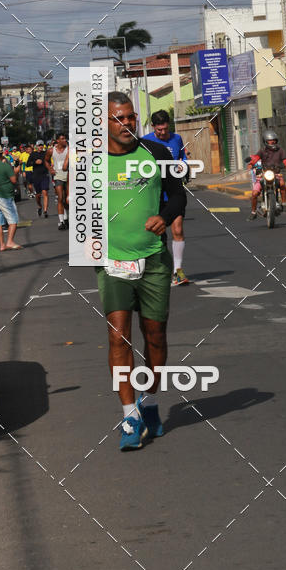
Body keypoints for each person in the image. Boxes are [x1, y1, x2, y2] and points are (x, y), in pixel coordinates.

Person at [97, 92, 186, 451]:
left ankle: (149, 403)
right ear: (103, 123)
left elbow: (178, 196)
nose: (126, 124)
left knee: (156, 336)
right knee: (118, 337)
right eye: (118, 118)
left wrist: (164, 218)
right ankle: (129, 414)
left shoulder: (156, 154)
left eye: (131, 117)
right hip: (113, 262)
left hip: (153, 260)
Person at [141, 109, 190, 286]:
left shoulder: (177, 139)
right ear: (153, 127)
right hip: (153, 194)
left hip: (173, 192)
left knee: (178, 230)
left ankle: (178, 272)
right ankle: (155, 270)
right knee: (157, 234)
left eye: (165, 129)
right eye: (159, 130)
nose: (163, 133)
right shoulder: (145, 142)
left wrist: (182, 166)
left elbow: (183, 157)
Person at [247, 129, 286, 220]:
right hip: (263, 174)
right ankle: (253, 212)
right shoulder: (262, 151)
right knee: (254, 193)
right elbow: (256, 158)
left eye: (274, 140)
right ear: (266, 141)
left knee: (282, 184)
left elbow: (285, 159)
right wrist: (251, 163)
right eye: (270, 140)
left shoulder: (280, 150)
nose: (273, 142)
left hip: (276, 174)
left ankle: (283, 203)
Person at [50, 132, 69, 230]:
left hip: (69, 175)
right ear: (57, 140)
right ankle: (61, 221)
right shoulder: (51, 150)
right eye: (62, 139)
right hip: (58, 176)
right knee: (60, 198)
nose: (64, 140)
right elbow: (46, 160)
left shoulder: (69, 149)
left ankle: (67, 218)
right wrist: (50, 169)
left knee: (68, 199)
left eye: (65, 138)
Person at [27, 140, 50, 218]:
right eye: (39, 145)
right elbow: (27, 164)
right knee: (38, 195)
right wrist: (35, 162)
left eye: (42, 145)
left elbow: (49, 162)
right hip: (36, 176)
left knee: (45, 192)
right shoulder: (33, 154)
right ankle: (40, 206)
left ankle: (45, 211)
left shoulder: (46, 153)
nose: (40, 146)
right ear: (36, 146)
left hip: (44, 175)